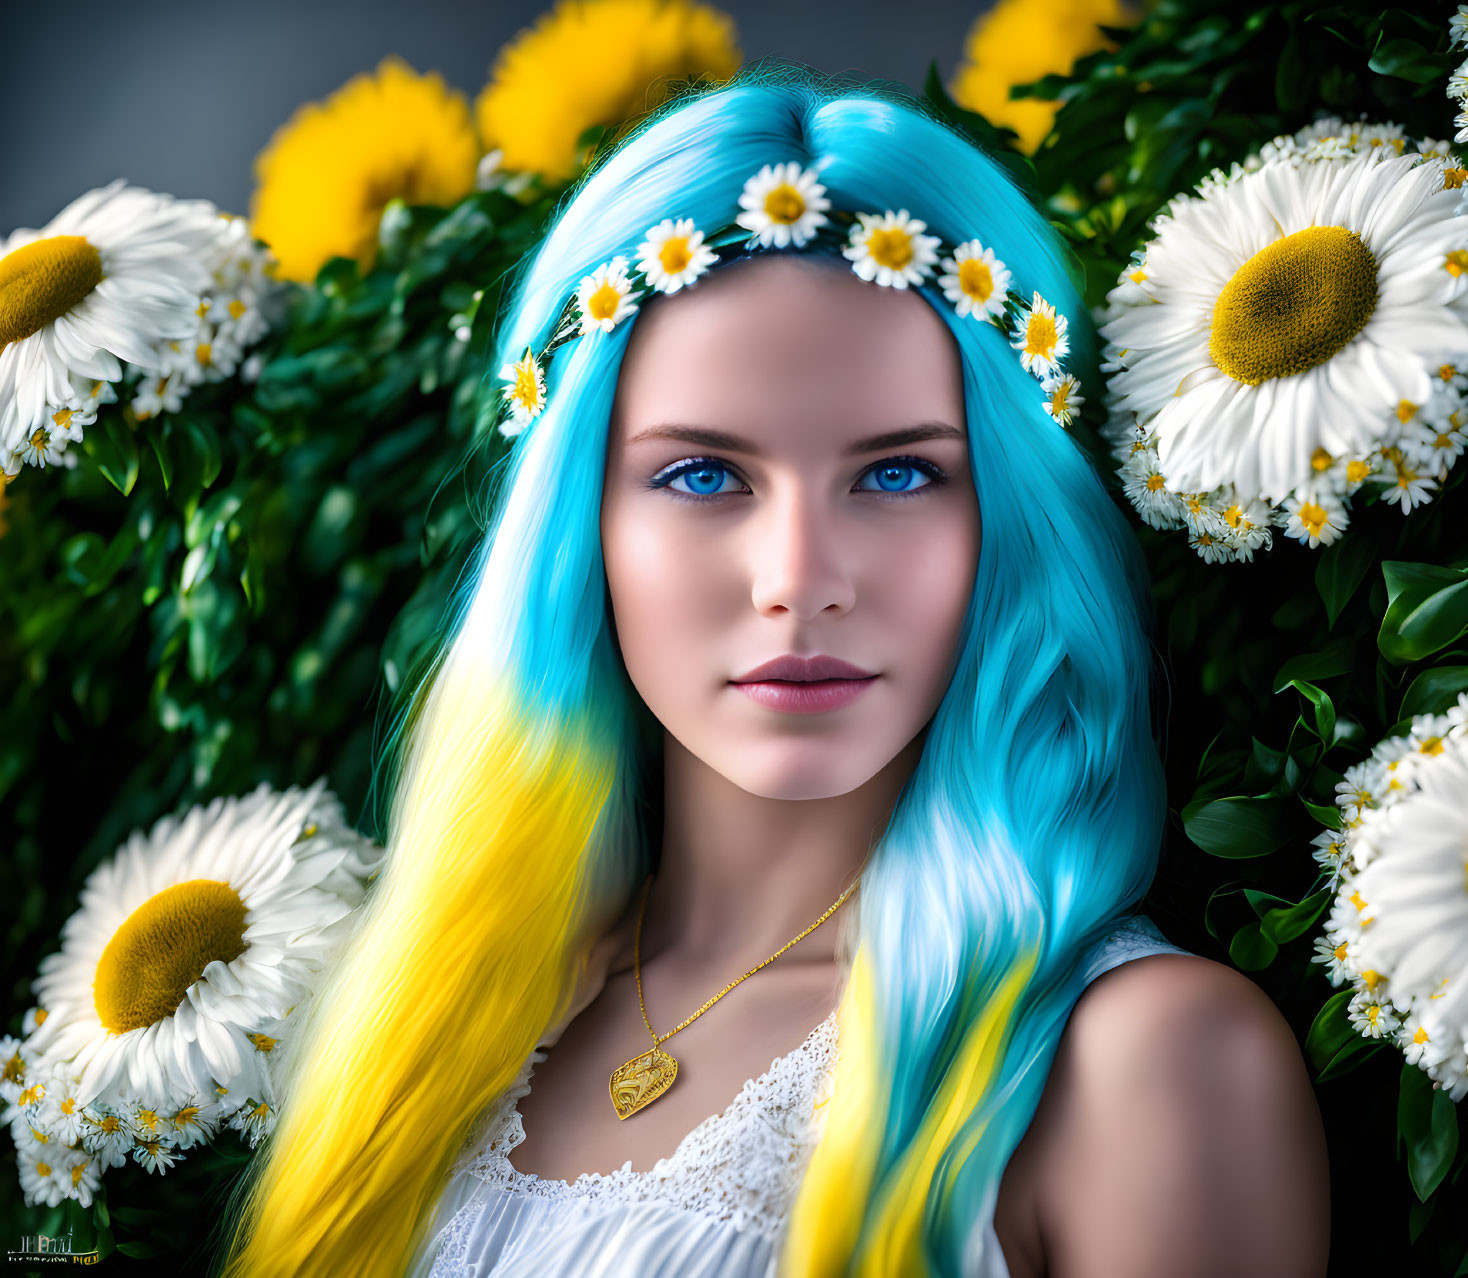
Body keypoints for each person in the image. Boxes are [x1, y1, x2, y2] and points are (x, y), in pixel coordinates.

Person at [212, 62, 1330, 1278]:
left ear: (1009, 521)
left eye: (898, 473)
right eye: (702, 475)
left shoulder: (1138, 1066)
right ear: (577, 529)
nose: (799, 578)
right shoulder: (423, 1020)